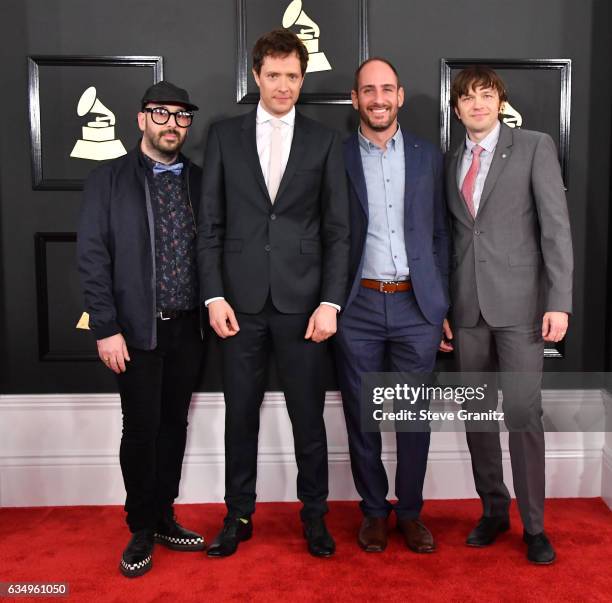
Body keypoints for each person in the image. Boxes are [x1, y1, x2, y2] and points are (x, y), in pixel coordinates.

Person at [198, 28, 350, 558]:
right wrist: (213, 295)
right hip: (237, 305)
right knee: (240, 415)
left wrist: (330, 302)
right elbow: (209, 225)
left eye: (293, 76)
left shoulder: (325, 140)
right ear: (256, 76)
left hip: (305, 305)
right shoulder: (222, 136)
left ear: (302, 79)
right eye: (274, 75)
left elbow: (337, 229)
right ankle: (238, 516)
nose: (283, 85)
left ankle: (315, 518)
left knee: (308, 416)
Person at [441, 66, 573, 564]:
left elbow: (556, 230)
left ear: (500, 101)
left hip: (521, 307)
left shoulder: (535, 146)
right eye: (468, 97)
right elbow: (454, 239)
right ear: (457, 108)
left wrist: (559, 300)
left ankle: (534, 526)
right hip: (467, 309)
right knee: (477, 416)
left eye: (486, 95)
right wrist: (444, 310)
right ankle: (493, 510)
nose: (477, 104)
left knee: (522, 415)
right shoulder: (451, 159)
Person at [77, 81, 206, 578]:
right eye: (161, 113)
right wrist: (106, 327)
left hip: (188, 329)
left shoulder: (198, 180)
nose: (171, 123)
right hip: (133, 332)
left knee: (175, 425)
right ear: (141, 119)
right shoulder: (108, 179)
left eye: (181, 115)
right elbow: (92, 257)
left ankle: (165, 515)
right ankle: (139, 526)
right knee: (142, 429)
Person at [334, 58, 449, 553]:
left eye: (386, 89)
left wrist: (441, 303)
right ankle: (374, 513)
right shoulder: (335, 156)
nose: (378, 99)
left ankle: (411, 513)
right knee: (363, 417)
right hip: (357, 305)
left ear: (400, 95)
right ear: (355, 99)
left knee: (412, 418)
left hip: (416, 308)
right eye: (367, 91)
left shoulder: (429, 156)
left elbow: (442, 233)